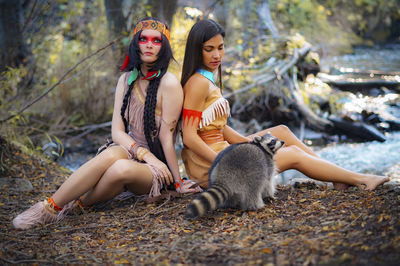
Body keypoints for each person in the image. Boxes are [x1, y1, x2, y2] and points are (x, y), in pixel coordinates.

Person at [13, 17, 201, 230]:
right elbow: (117, 132)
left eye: (156, 41)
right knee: (113, 154)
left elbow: (167, 139)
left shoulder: (169, 83)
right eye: (144, 39)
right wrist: (142, 154)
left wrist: (177, 182)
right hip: (132, 151)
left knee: (120, 167)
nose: (149, 44)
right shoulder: (125, 80)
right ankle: (49, 208)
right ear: (135, 43)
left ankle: (77, 206)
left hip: (157, 169)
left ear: (164, 47)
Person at [180, 19, 389, 191]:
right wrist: (224, 161)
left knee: (282, 131)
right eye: (209, 49)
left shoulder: (206, 79)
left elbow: (218, 126)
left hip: (223, 151)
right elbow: (189, 137)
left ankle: (336, 175)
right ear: (197, 51)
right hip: (215, 169)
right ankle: (360, 179)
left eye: (220, 48)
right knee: (294, 155)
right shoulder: (198, 83)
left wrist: (248, 143)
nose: (217, 55)